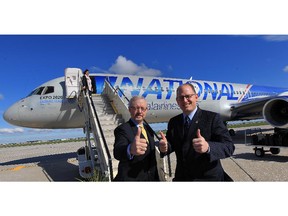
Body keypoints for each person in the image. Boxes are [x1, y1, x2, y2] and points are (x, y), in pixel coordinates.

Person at [159, 83, 235, 181]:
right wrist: (165, 147)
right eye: (181, 98)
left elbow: (229, 146)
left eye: (188, 96)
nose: (185, 100)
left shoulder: (212, 118)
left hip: (208, 178)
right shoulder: (174, 122)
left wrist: (208, 147)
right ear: (177, 101)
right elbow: (172, 144)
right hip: (182, 178)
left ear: (196, 97)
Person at [113, 96, 160, 181]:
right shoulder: (122, 129)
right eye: (135, 108)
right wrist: (130, 149)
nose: (139, 112)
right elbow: (118, 151)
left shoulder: (148, 129)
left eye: (142, 108)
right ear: (129, 109)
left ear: (146, 110)